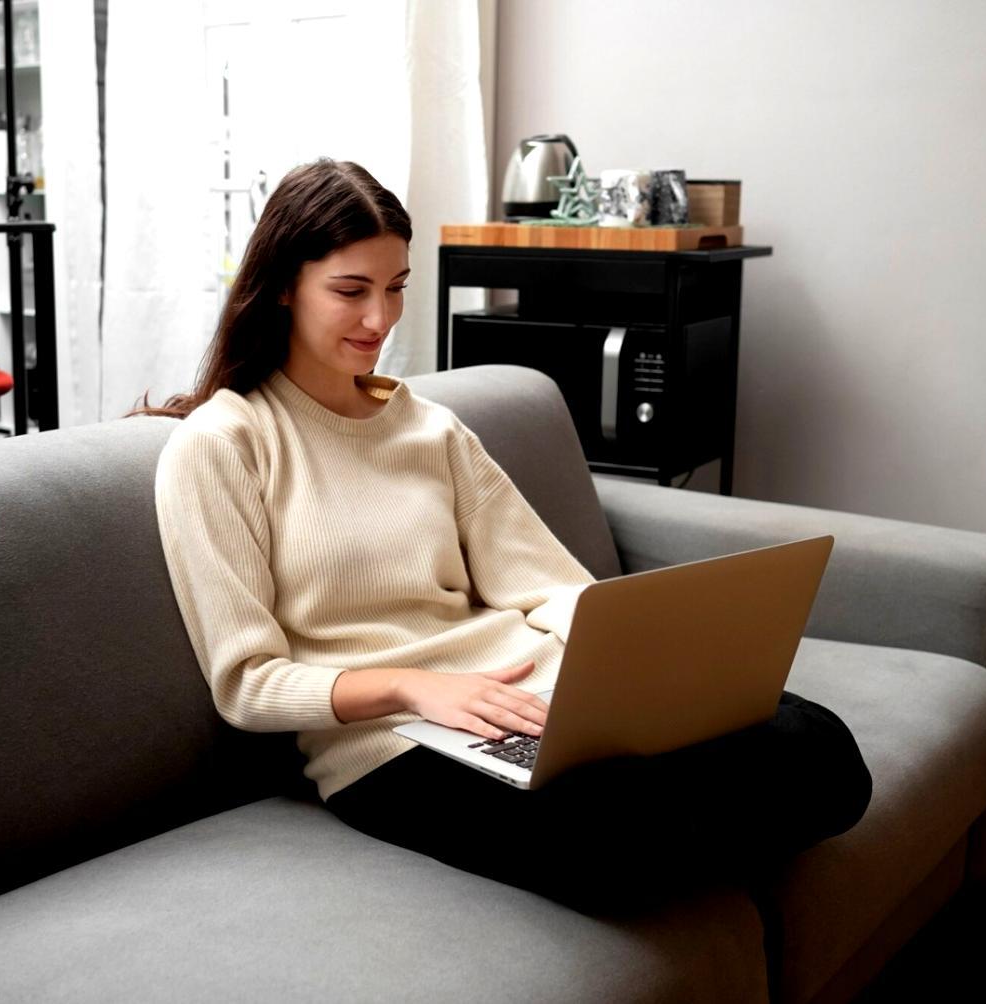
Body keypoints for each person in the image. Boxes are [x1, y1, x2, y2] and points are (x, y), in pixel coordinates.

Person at [141, 157, 872, 917]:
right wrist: (409, 685)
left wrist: (630, 669)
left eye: (395, 288)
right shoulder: (222, 445)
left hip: (538, 698)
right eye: (350, 292)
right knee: (618, 834)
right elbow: (247, 684)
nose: (379, 321)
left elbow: (547, 584)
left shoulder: (429, 429)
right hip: (395, 748)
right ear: (284, 284)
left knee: (817, 744)